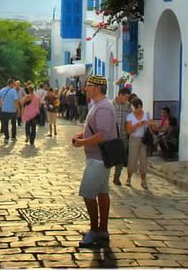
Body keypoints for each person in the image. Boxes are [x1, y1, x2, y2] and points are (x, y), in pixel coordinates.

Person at [71, 74, 116, 248]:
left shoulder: (103, 107)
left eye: (88, 85)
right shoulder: (98, 105)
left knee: (88, 193)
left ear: (96, 88)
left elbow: (103, 135)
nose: (85, 89)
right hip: (98, 158)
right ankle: (103, 230)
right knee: (102, 193)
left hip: (98, 159)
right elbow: (97, 130)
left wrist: (82, 142)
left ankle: (94, 230)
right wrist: (82, 135)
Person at [125, 97, 150, 188]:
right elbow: (128, 130)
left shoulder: (146, 114)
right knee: (132, 158)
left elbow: (151, 125)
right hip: (134, 139)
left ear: (139, 106)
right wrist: (138, 125)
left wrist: (150, 124)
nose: (134, 109)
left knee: (144, 160)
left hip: (144, 139)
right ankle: (129, 178)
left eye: (135, 107)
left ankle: (143, 180)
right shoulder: (130, 116)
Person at [111, 88, 132, 186]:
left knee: (120, 158)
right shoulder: (111, 105)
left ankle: (116, 178)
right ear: (120, 95)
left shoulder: (128, 106)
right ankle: (104, 178)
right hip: (112, 136)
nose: (127, 100)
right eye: (126, 97)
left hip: (123, 136)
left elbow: (130, 119)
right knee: (109, 157)